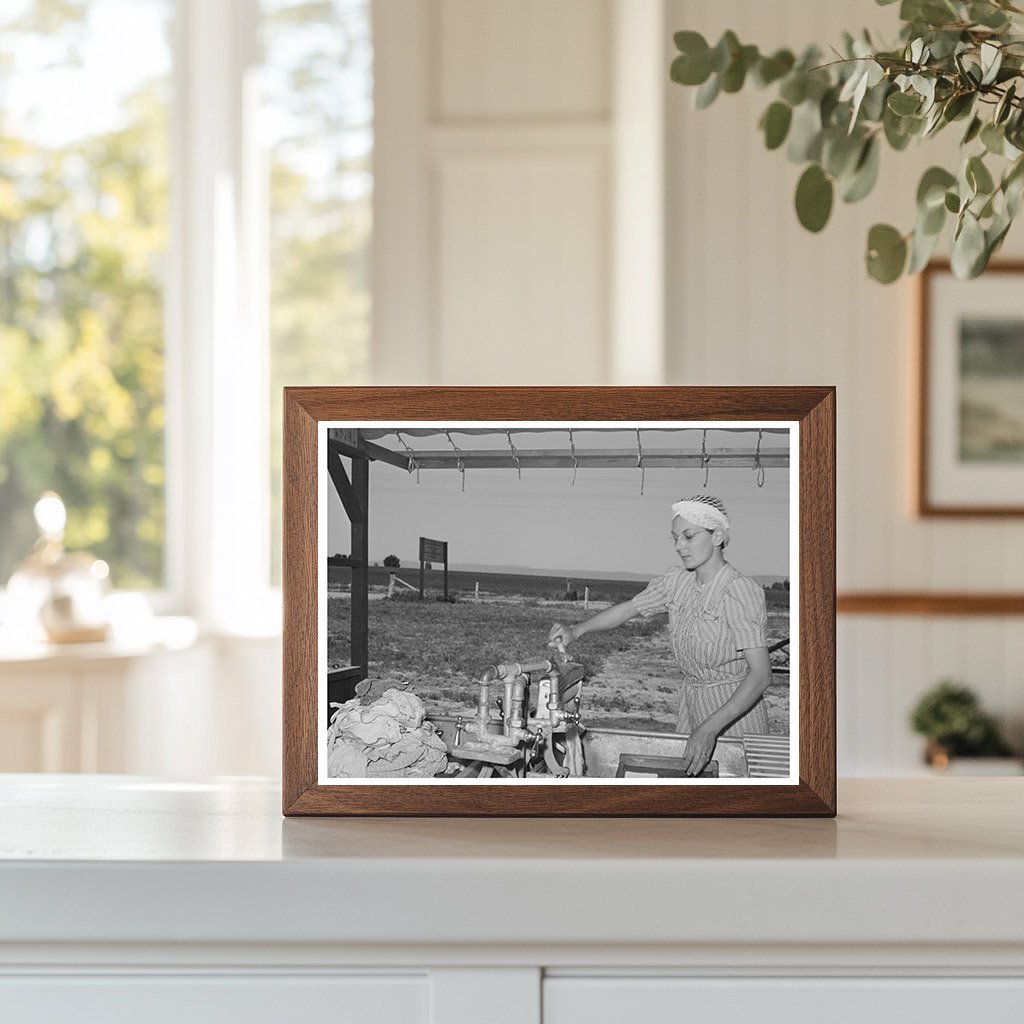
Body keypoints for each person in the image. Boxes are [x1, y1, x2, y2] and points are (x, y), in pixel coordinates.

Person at [548, 494, 771, 777]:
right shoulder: (677, 583)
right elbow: (629, 609)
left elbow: (761, 675)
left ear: (717, 536)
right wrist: (577, 630)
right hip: (693, 709)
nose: (679, 546)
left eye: (689, 536)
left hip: (735, 718)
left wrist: (710, 729)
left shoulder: (739, 591)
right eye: (675, 538)